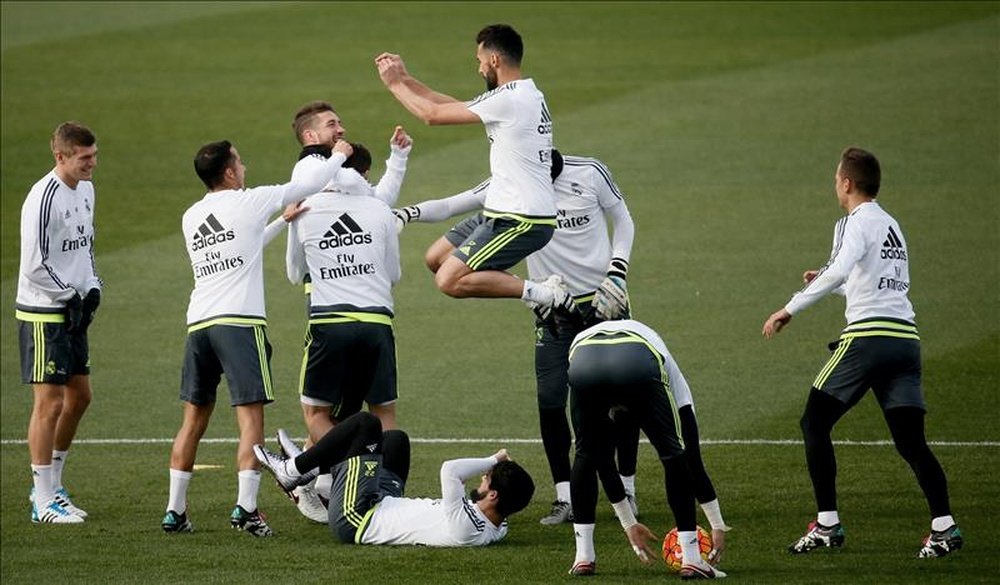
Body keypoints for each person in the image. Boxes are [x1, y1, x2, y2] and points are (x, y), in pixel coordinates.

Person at [395, 149, 641, 525]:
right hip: (555, 309)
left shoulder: (589, 173)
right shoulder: (512, 183)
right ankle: (566, 496)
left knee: (622, 402)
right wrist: (408, 213)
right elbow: (449, 205)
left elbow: (622, 219)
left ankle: (627, 487)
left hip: (604, 302)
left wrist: (618, 272)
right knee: (551, 399)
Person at [762, 147, 962, 559]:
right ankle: (944, 528)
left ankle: (827, 525)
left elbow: (842, 269)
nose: (836, 186)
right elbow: (870, 281)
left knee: (813, 423)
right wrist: (831, 282)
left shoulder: (854, 222)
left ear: (848, 183)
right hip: (905, 341)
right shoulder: (890, 224)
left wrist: (790, 307)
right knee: (911, 442)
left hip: (868, 341)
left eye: (837, 179)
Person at [162, 137, 351, 537]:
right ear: (229, 172)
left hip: (199, 325)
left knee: (193, 420)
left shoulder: (191, 216)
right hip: (239, 325)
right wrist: (339, 154)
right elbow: (307, 183)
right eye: (241, 162)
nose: (245, 168)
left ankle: (174, 512)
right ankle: (246, 509)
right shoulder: (248, 200)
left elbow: (241, 247)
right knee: (251, 421)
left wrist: (282, 222)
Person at [375, 24, 572, 313]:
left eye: (480, 61)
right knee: (436, 258)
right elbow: (446, 103)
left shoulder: (511, 98)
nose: (479, 69)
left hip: (522, 218)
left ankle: (543, 293)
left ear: (494, 60)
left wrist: (393, 85)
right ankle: (537, 292)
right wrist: (404, 78)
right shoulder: (520, 94)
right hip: (499, 210)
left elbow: (432, 115)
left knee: (449, 281)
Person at [565, 317, 728, 579]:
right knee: (673, 454)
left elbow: (603, 463)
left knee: (585, 454)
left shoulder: (610, 391)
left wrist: (629, 522)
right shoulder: (672, 388)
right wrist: (717, 525)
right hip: (637, 358)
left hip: (584, 360)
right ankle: (692, 559)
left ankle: (583, 557)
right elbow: (690, 459)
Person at [253, 411, 535, 546]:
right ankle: (321, 476)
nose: (481, 481)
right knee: (395, 441)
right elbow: (510, 496)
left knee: (367, 424)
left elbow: (450, 469)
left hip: (357, 517)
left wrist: (493, 460)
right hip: (384, 501)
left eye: (487, 480)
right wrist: (502, 476)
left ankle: (293, 471)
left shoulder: (467, 528)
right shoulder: (498, 525)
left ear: (494, 495)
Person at [285, 142, 403, 444]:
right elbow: (394, 275)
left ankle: (346, 469)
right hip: (377, 322)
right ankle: (385, 483)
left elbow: (295, 273)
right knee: (383, 412)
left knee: (317, 414)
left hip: (330, 322)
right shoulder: (380, 209)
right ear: (363, 175)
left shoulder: (306, 210)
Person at [17, 121, 101, 524]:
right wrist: (70, 294)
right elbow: (35, 265)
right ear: (61, 156)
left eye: (94, 156)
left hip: (73, 308)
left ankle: (53, 485)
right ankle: (42, 497)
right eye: (84, 158)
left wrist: (93, 286)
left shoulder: (85, 190)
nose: (91, 164)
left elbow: (85, 246)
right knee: (49, 403)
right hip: (44, 311)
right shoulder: (42, 198)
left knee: (80, 397)